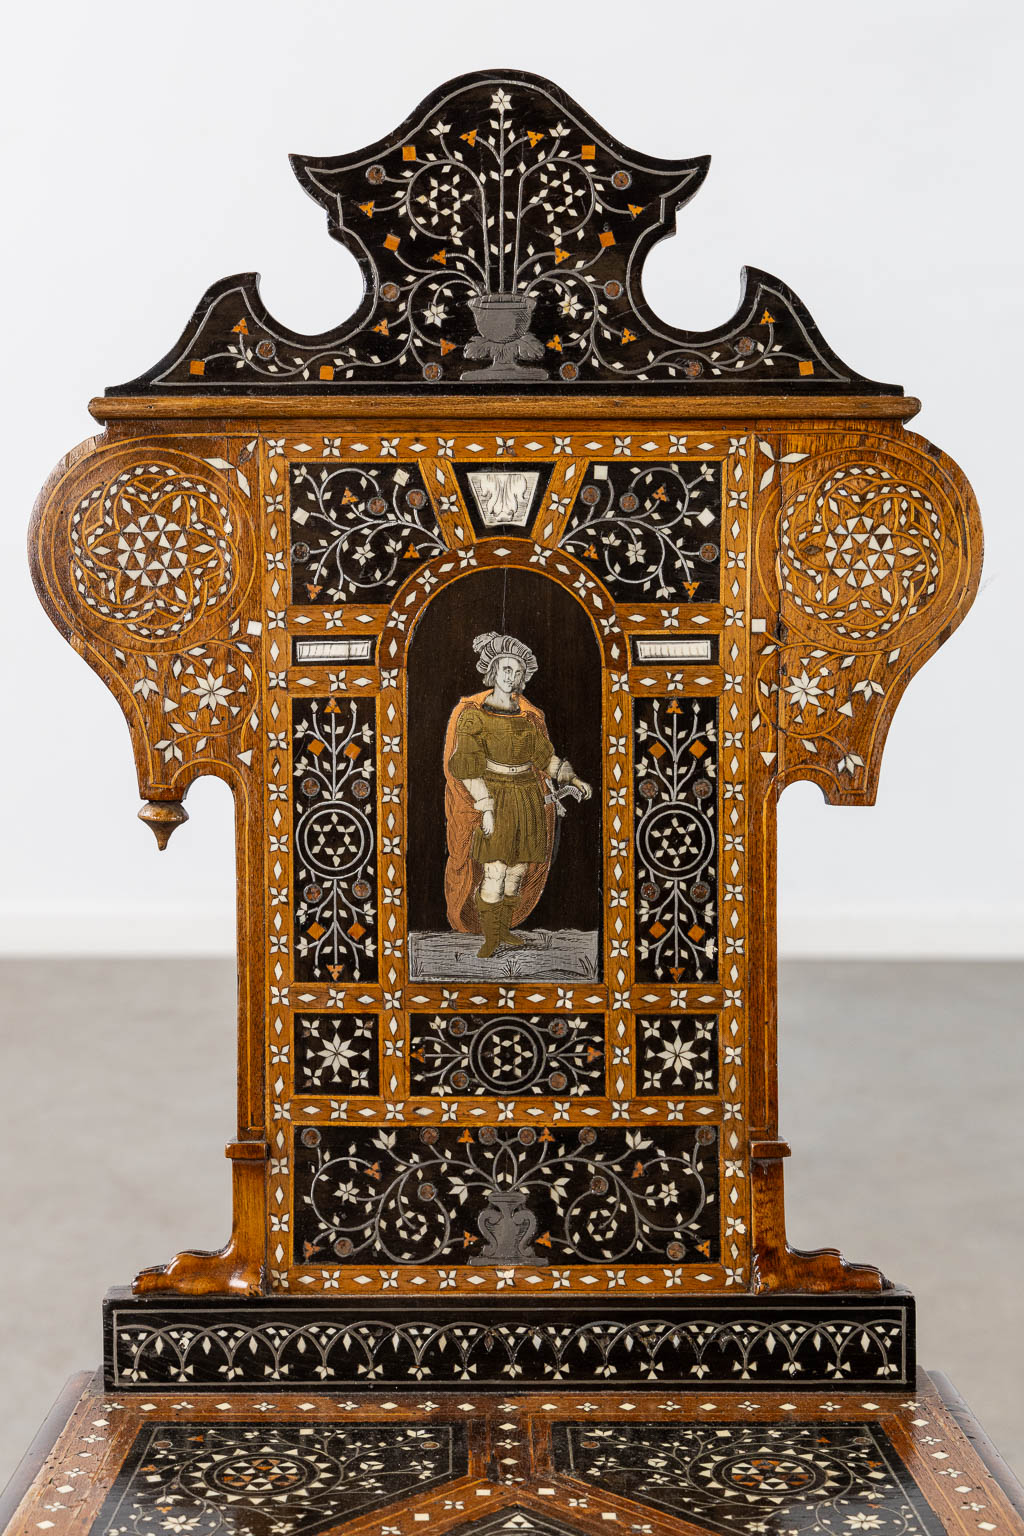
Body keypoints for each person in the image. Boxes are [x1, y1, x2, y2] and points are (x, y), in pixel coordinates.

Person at [443, 631, 592, 958]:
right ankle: (490, 938)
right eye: (506, 670)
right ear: (493, 671)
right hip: (495, 797)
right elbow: (466, 767)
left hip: (527, 797)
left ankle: (504, 931)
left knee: (518, 870)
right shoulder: (474, 715)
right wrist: (486, 808)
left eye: (518, 672)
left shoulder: (527, 718)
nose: (512, 677)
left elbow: (544, 759)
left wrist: (573, 778)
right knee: (494, 869)